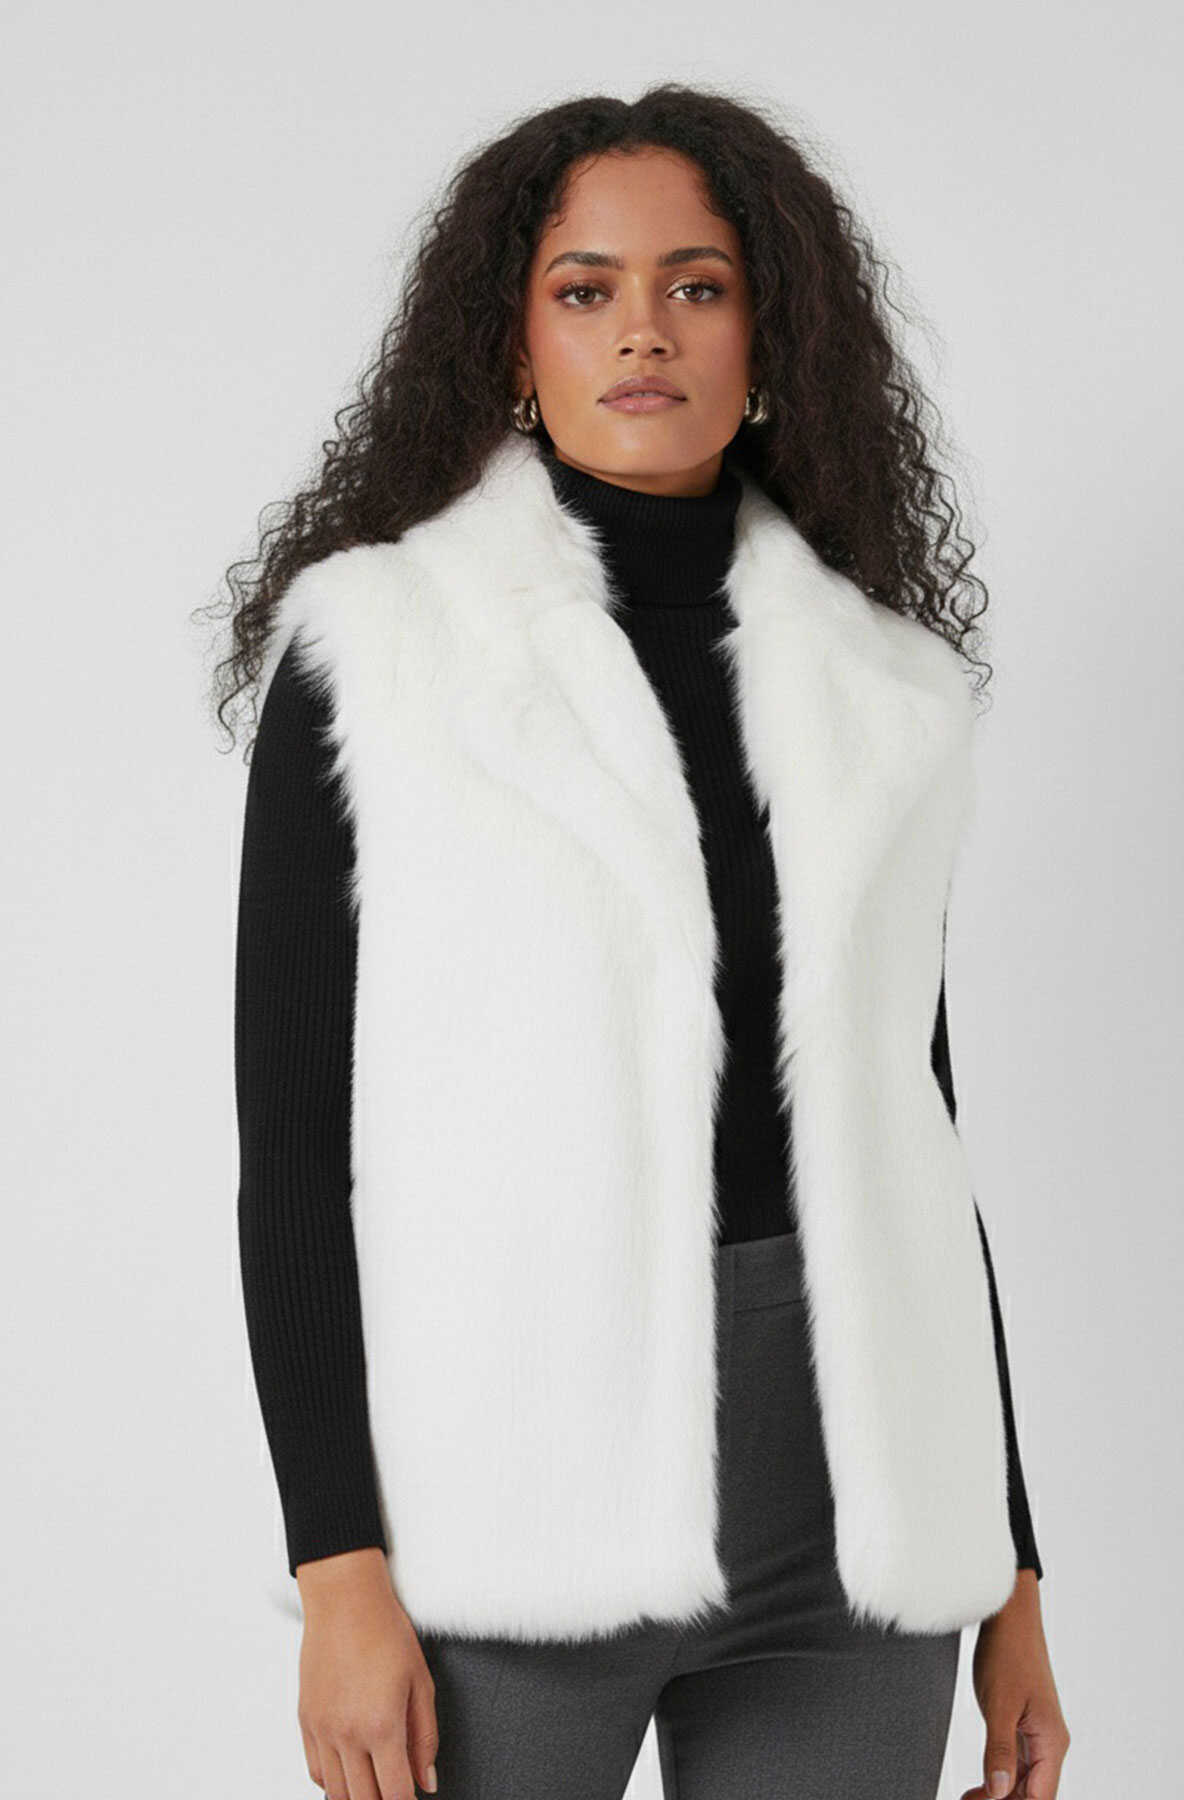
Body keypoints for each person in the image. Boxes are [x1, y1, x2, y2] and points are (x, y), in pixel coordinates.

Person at [220, 85, 1070, 1800]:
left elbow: (918, 1137)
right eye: (584, 288)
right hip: (507, 1515)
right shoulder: (377, 656)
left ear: (771, 334)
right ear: (511, 342)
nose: (642, 332)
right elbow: (292, 1154)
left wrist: (1011, 1568)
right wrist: (338, 1576)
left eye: (697, 285)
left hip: (860, 1535)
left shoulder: (888, 693)